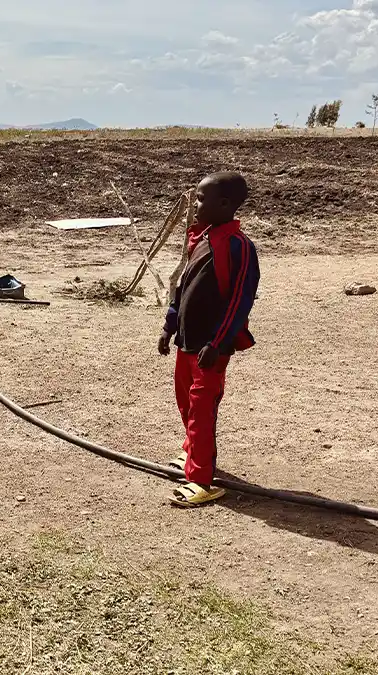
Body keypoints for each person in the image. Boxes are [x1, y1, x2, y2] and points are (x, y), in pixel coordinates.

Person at [157, 173, 260, 508]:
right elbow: (182, 288)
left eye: (202, 200)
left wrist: (217, 342)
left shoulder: (238, 247)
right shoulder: (201, 237)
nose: (196, 205)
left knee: (202, 408)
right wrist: (168, 326)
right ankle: (190, 450)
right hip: (187, 340)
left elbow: (240, 301)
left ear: (226, 205)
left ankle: (201, 478)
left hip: (211, 347)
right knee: (185, 401)